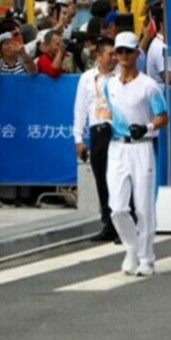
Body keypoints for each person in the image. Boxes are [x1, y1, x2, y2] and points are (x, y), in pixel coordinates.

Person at [104, 31, 169, 277]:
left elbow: (163, 116)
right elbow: (108, 113)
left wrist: (147, 127)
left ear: (137, 53)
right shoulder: (109, 84)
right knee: (118, 208)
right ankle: (131, 248)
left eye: (128, 51)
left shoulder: (149, 85)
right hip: (117, 148)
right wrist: (104, 125)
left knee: (143, 206)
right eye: (119, 51)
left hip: (142, 147)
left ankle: (146, 258)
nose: (123, 55)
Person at [73, 36, 120, 242]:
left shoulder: (121, 76)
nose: (114, 58)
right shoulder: (87, 78)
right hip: (98, 132)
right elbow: (80, 109)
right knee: (101, 178)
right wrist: (78, 139)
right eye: (110, 54)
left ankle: (125, 224)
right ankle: (109, 223)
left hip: (117, 131)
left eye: (116, 54)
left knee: (119, 179)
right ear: (98, 56)